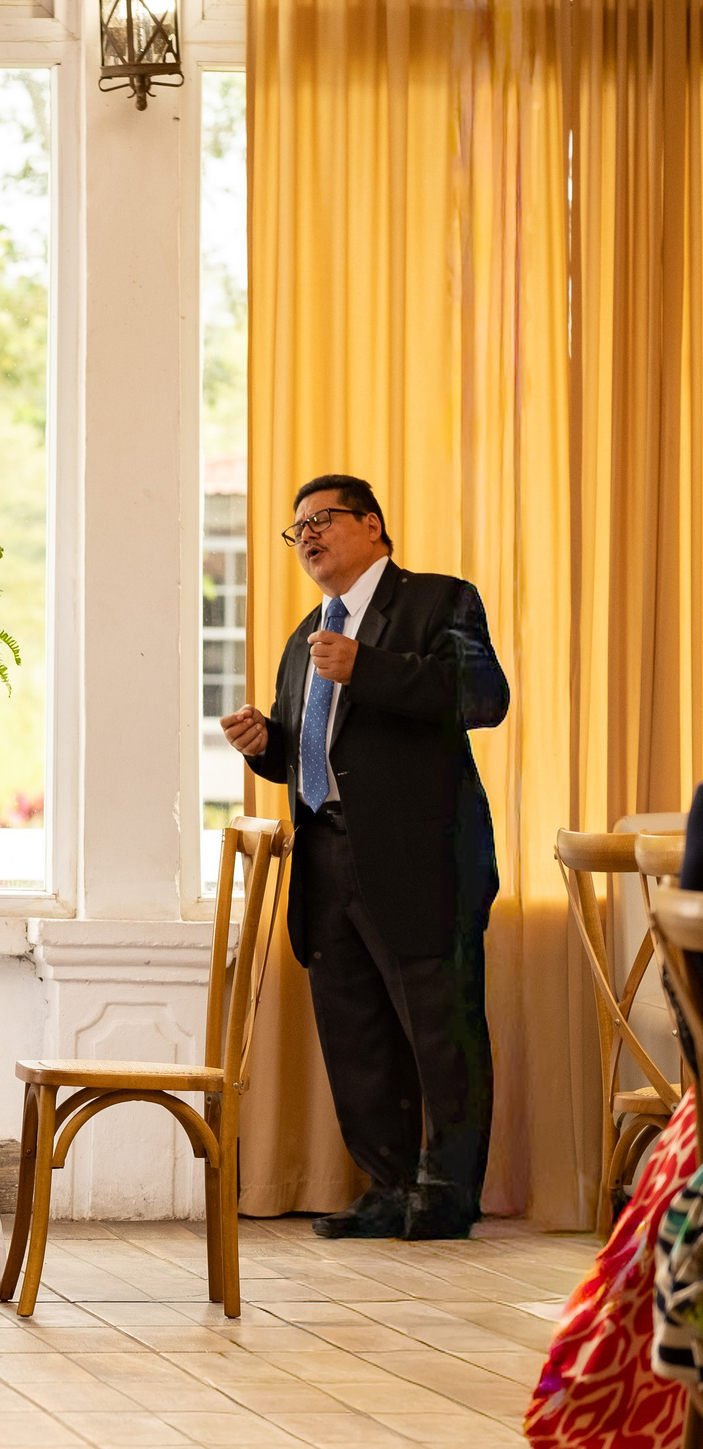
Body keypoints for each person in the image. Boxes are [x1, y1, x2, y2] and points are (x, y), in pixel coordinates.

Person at [220, 475, 509, 1242]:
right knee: (357, 1036)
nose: (308, 535)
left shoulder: (439, 600)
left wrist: (368, 667)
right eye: (298, 528)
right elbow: (313, 752)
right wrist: (265, 744)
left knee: (441, 1030)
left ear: (373, 524)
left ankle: (447, 1193)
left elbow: (483, 698)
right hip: (325, 859)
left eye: (323, 518)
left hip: (423, 862)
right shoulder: (304, 637)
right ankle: (388, 1185)